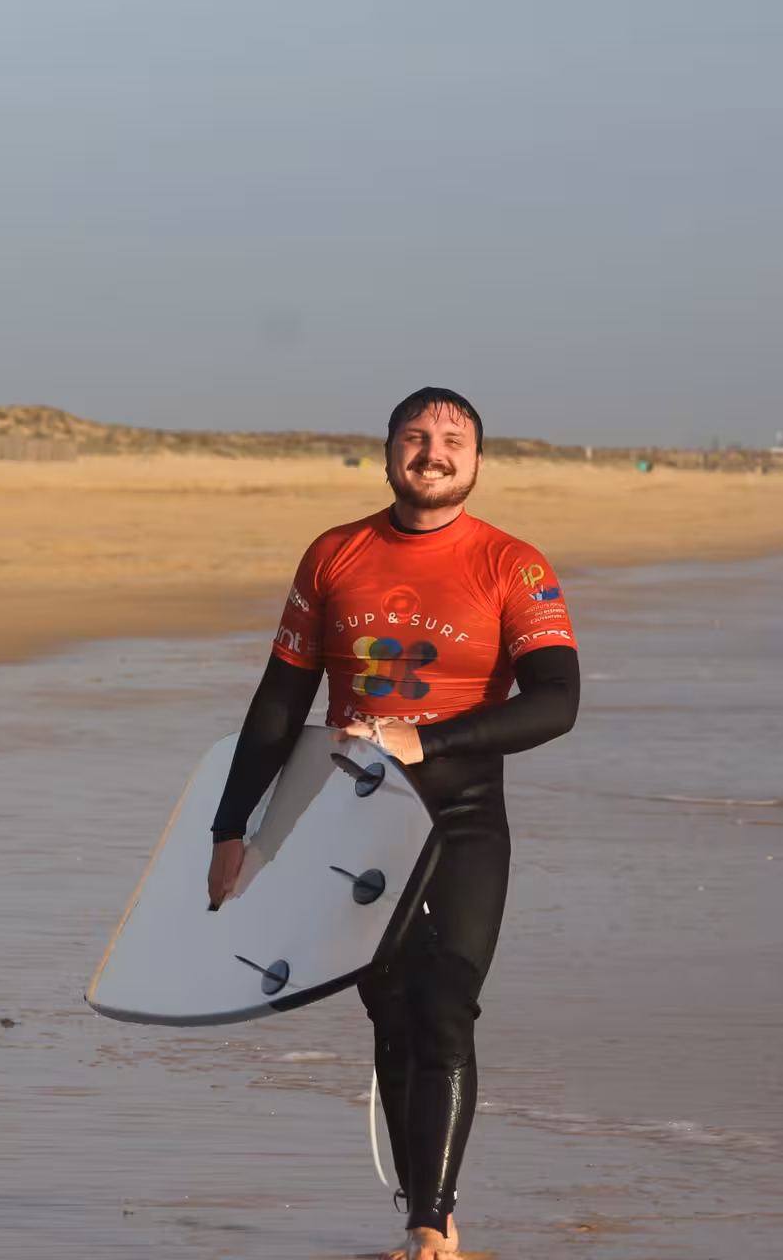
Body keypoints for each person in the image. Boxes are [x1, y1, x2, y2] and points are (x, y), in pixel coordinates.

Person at [205, 387, 580, 1258]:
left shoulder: (512, 566)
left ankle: (431, 1224)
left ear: (479, 462)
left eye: (454, 439)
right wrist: (234, 826)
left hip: (464, 813)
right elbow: (279, 700)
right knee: (393, 1010)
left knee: (446, 1003)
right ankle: (425, 1212)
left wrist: (427, 737)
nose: (434, 451)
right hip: (355, 818)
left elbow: (557, 702)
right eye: (416, 437)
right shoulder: (335, 554)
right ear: (386, 453)